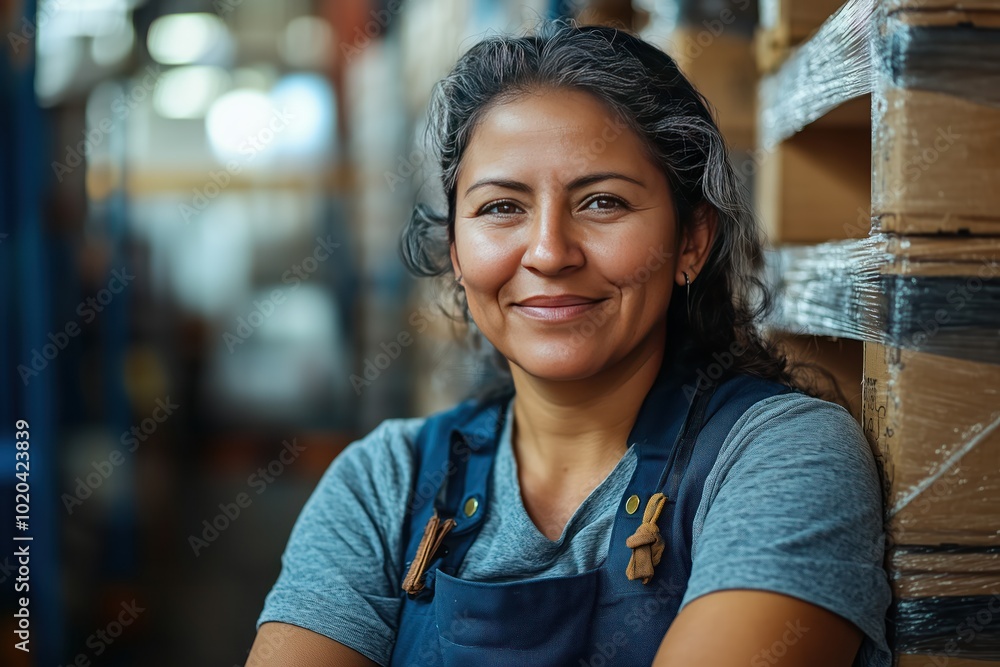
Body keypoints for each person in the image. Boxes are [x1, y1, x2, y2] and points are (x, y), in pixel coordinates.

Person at [248, 20, 892, 667]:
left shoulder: (779, 456)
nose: (550, 252)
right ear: (455, 252)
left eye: (603, 201)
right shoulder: (384, 483)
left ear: (692, 241)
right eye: (502, 207)